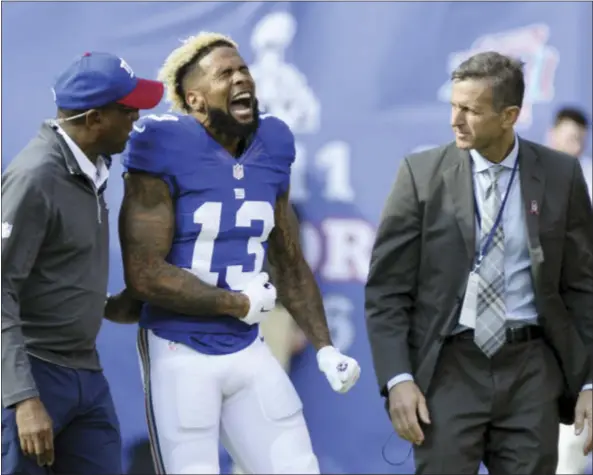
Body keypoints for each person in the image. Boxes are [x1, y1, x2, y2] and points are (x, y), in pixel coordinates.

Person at [117, 32, 361, 475]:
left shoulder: (272, 144)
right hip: (181, 345)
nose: (241, 79)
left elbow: (287, 257)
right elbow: (145, 273)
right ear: (193, 100)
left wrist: (325, 346)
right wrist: (237, 302)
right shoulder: (161, 145)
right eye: (224, 74)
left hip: (248, 344)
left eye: (243, 69)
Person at [365, 51, 593, 474]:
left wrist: (590, 381)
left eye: (470, 110)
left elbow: (584, 287)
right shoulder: (420, 174)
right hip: (450, 367)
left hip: (532, 370)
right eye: (454, 106)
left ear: (509, 116)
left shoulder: (562, 175)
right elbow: (387, 290)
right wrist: (398, 379)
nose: (455, 119)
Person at [1, 52, 164, 474]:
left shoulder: (95, 165)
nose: (138, 119)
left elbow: (52, 268)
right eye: (128, 110)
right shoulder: (35, 177)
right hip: (34, 375)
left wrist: (104, 305)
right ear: (93, 119)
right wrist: (22, 398)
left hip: (86, 375)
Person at [547, 106, 593, 474]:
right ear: (553, 135)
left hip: (579, 334)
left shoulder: (589, 180)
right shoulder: (529, 178)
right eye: (567, 135)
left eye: (579, 138)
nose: (573, 144)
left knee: (571, 456)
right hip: (536, 336)